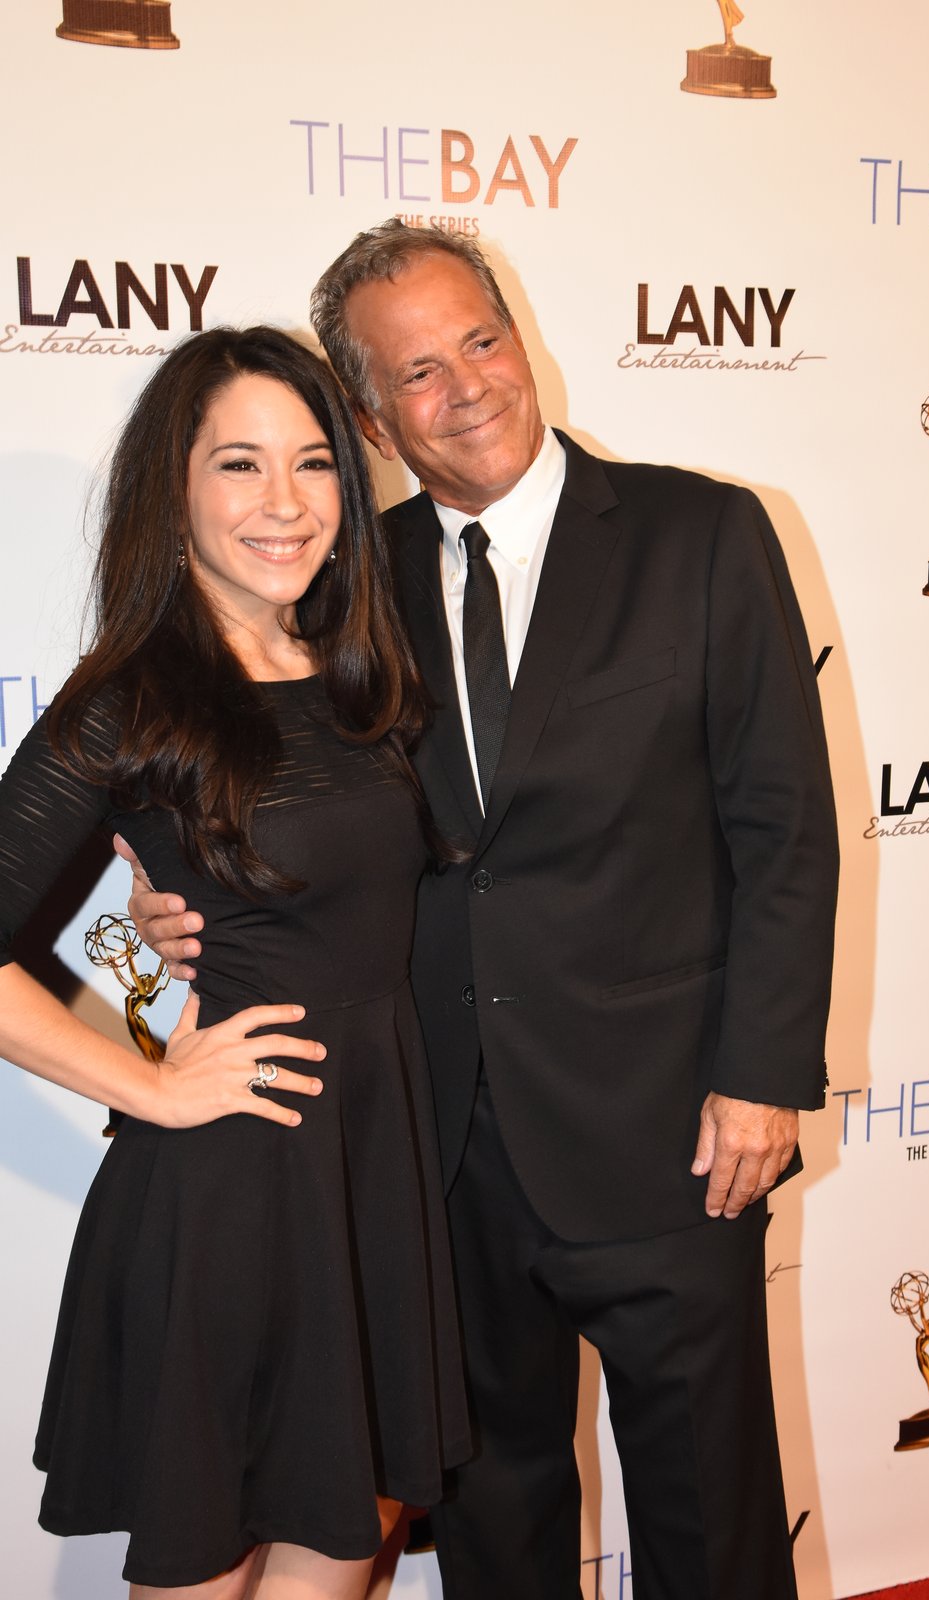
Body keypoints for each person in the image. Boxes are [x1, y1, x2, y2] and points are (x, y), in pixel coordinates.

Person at [134, 224, 839, 1600]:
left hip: (673, 1137)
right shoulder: (340, 582)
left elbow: (783, 828)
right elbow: (269, 815)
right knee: (499, 1521)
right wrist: (165, 922)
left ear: (520, 338)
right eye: (413, 371)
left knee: (710, 1514)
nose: (465, 385)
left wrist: (757, 1077)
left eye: (480, 338)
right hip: (436, 1149)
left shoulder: (701, 534)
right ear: (368, 416)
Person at [0, 326, 469, 1599]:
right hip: (226, 1187)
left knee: (341, 1546)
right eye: (239, 465)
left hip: (370, 1172)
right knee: (210, 1565)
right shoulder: (131, 696)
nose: (283, 505)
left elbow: (268, 905)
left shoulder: (363, 675)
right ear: (178, 487)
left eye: (313, 464)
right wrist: (148, 1076)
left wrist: (141, 968)